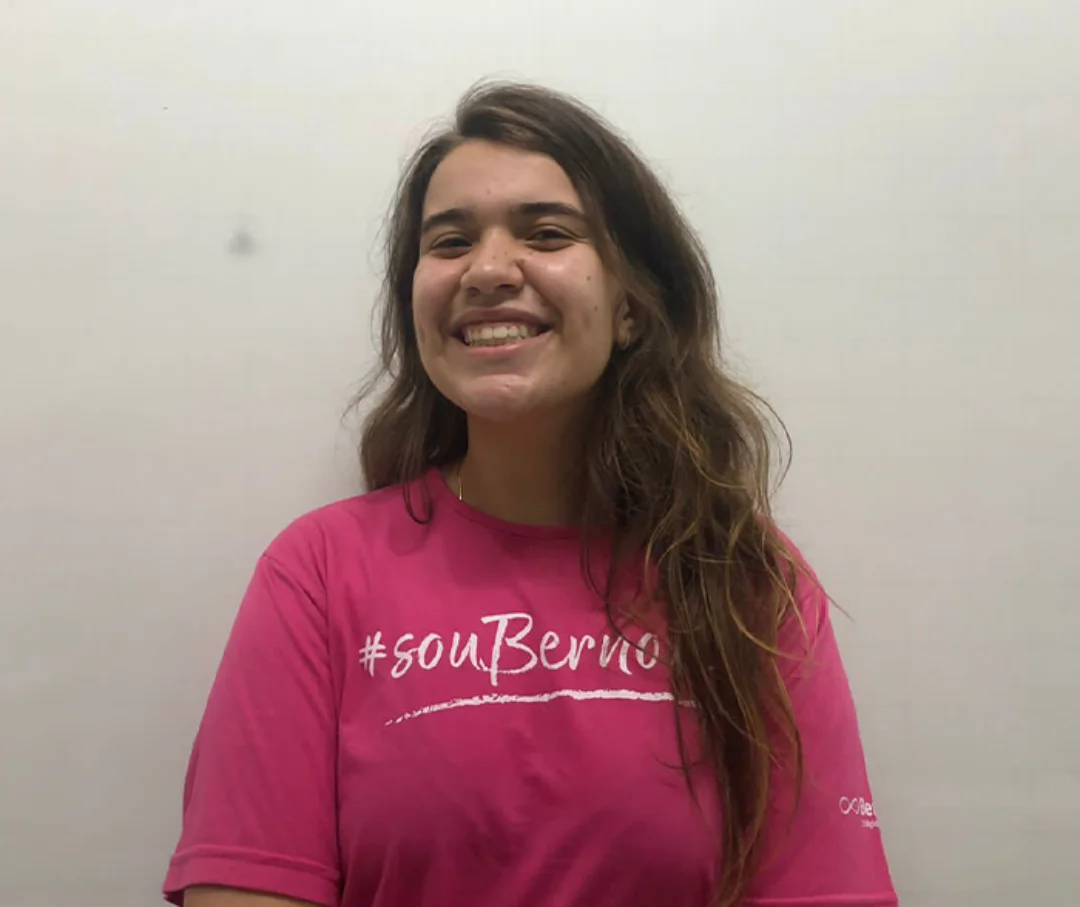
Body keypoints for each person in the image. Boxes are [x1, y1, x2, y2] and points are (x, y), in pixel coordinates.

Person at [163, 82, 898, 907]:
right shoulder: (319, 572)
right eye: (450, 242)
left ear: (630, 305)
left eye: (547, 233)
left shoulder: (746, 578)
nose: (487, 270)